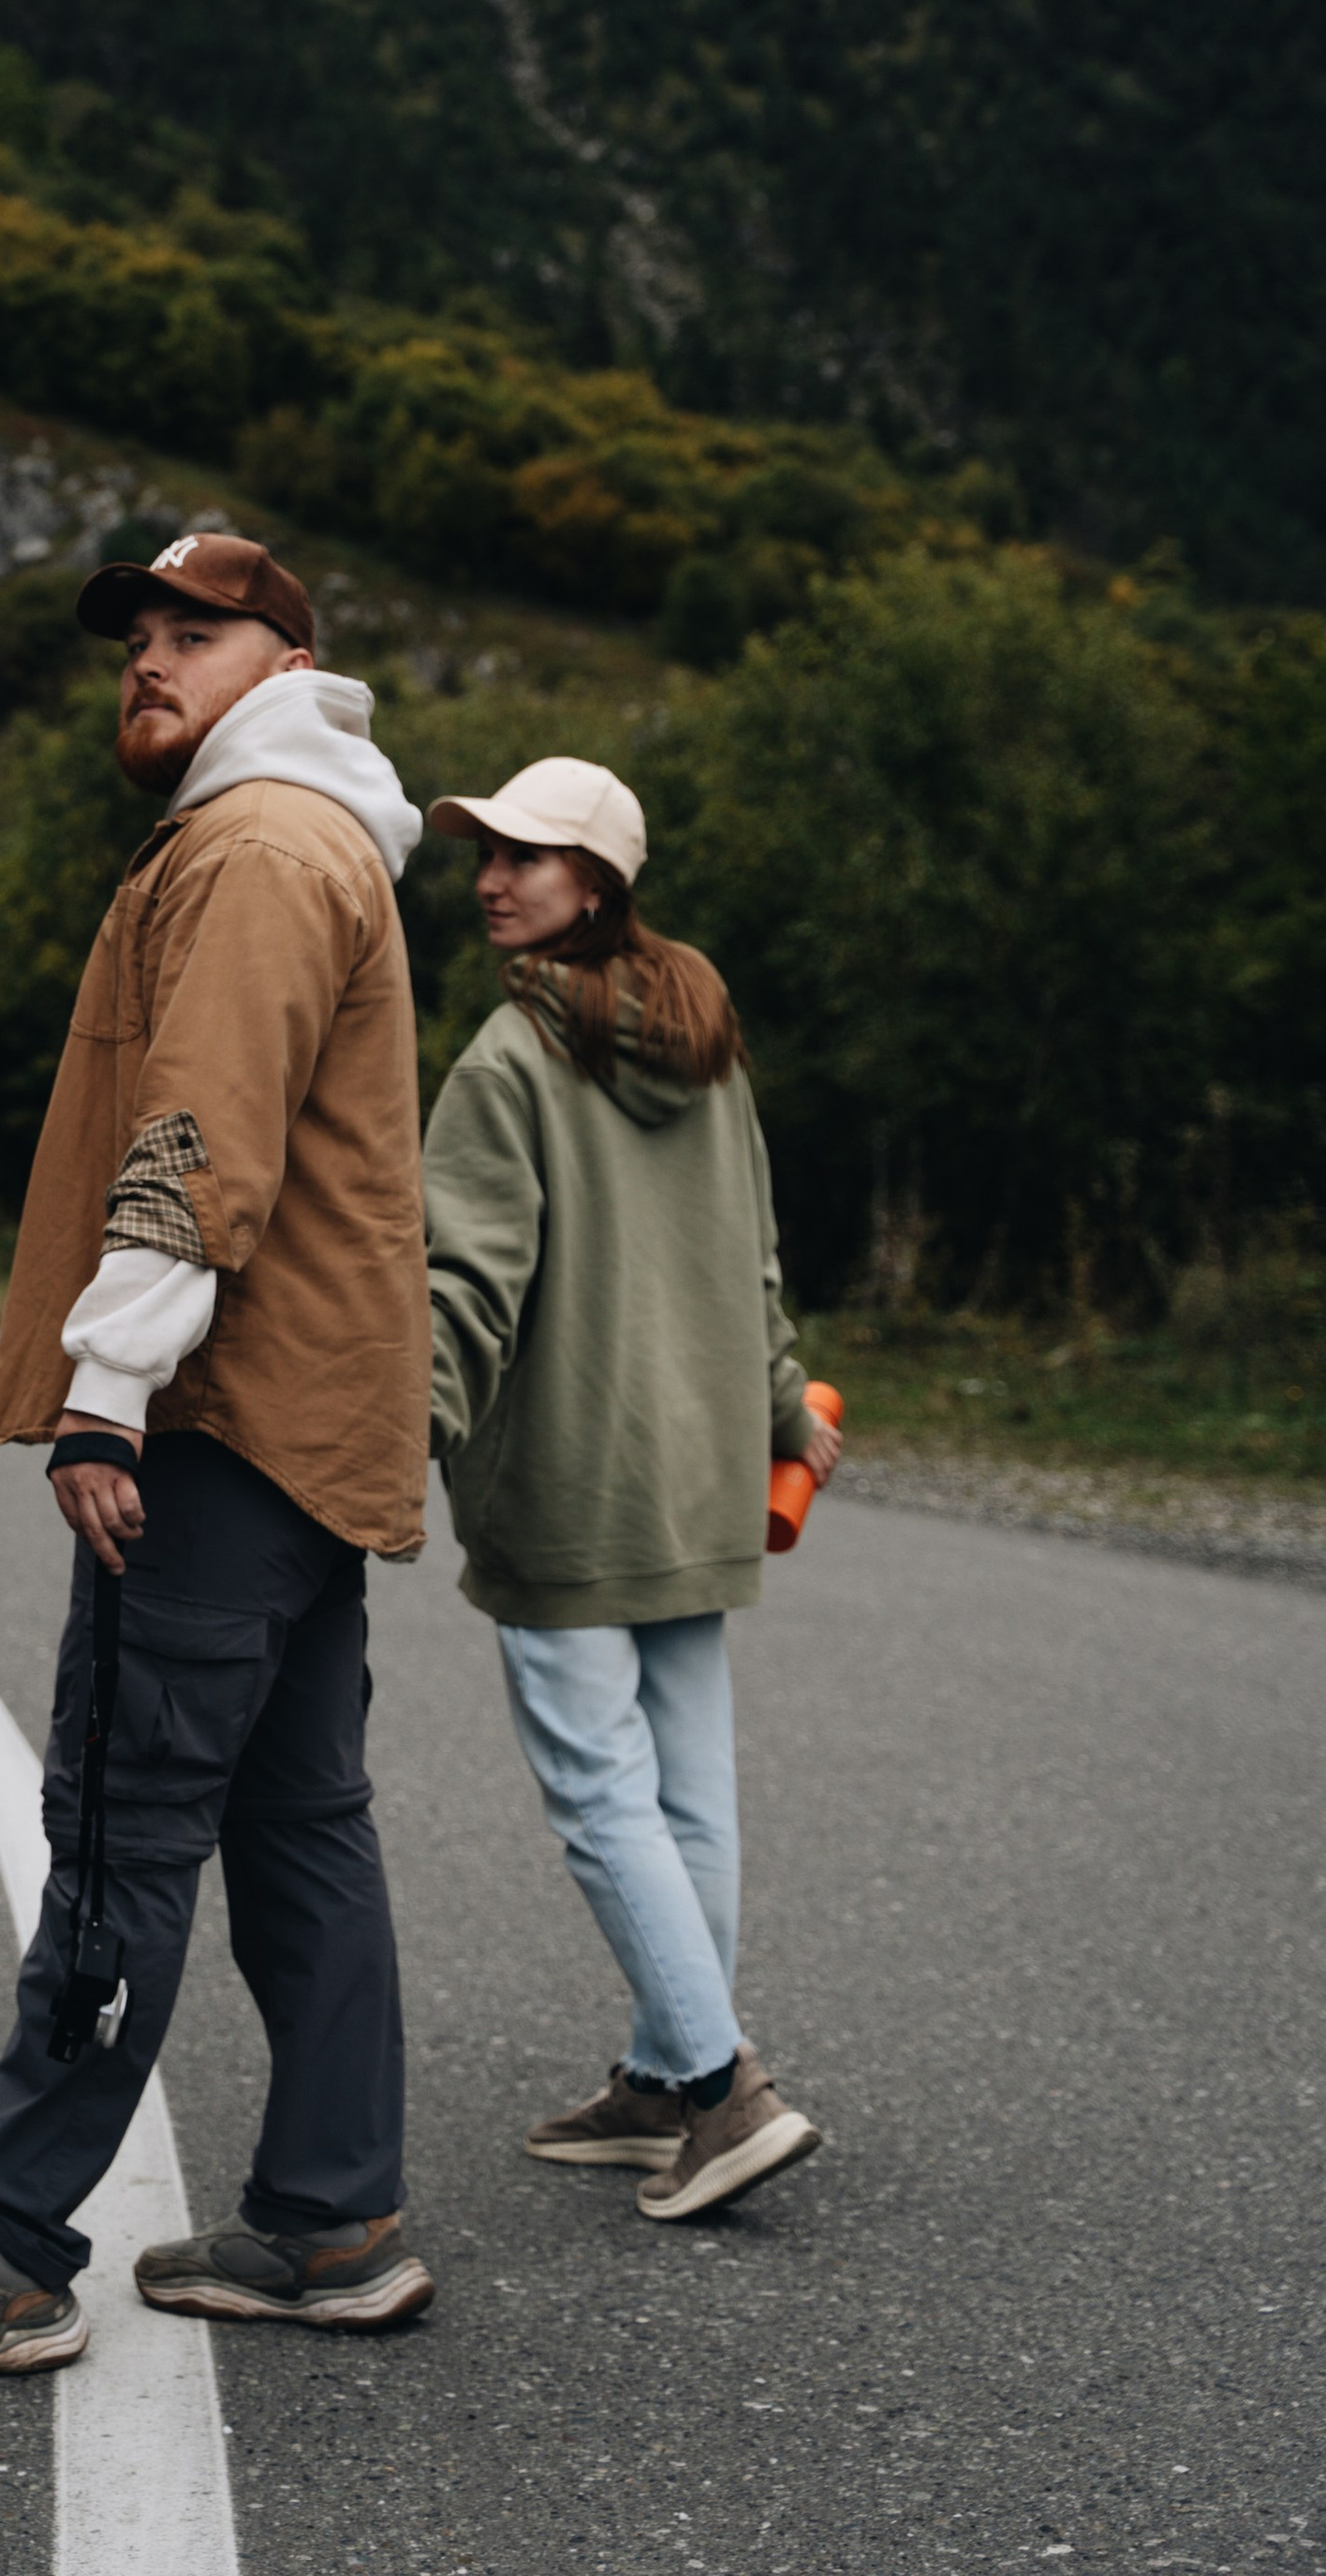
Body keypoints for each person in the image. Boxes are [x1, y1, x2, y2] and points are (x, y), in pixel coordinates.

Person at [0, 534, 437, 2384]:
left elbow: (199, 1135)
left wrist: (108, 1387)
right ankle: (333, 2220)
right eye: (134, 639)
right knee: (301, 1820)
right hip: (315, 1422)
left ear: (289, 656)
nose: (146, 662)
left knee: (121, 1836)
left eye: (190, 633)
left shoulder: (255, 847)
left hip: (219, 1418)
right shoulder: (309, 838)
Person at [421, 756, 840, 2223]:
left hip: (572, 1478)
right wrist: (783, 1404)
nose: (492, 877)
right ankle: (666, 2077)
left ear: (596, 884)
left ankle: (723, 2093)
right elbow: (761, 1253)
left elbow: (463, 1289)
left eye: (528, 856)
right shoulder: (708, 1037)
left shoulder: (507, 1060)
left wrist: (390, 1439)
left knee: (605, 1793)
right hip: (703, 1466)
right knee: (689, 1792)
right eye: (485, 851)